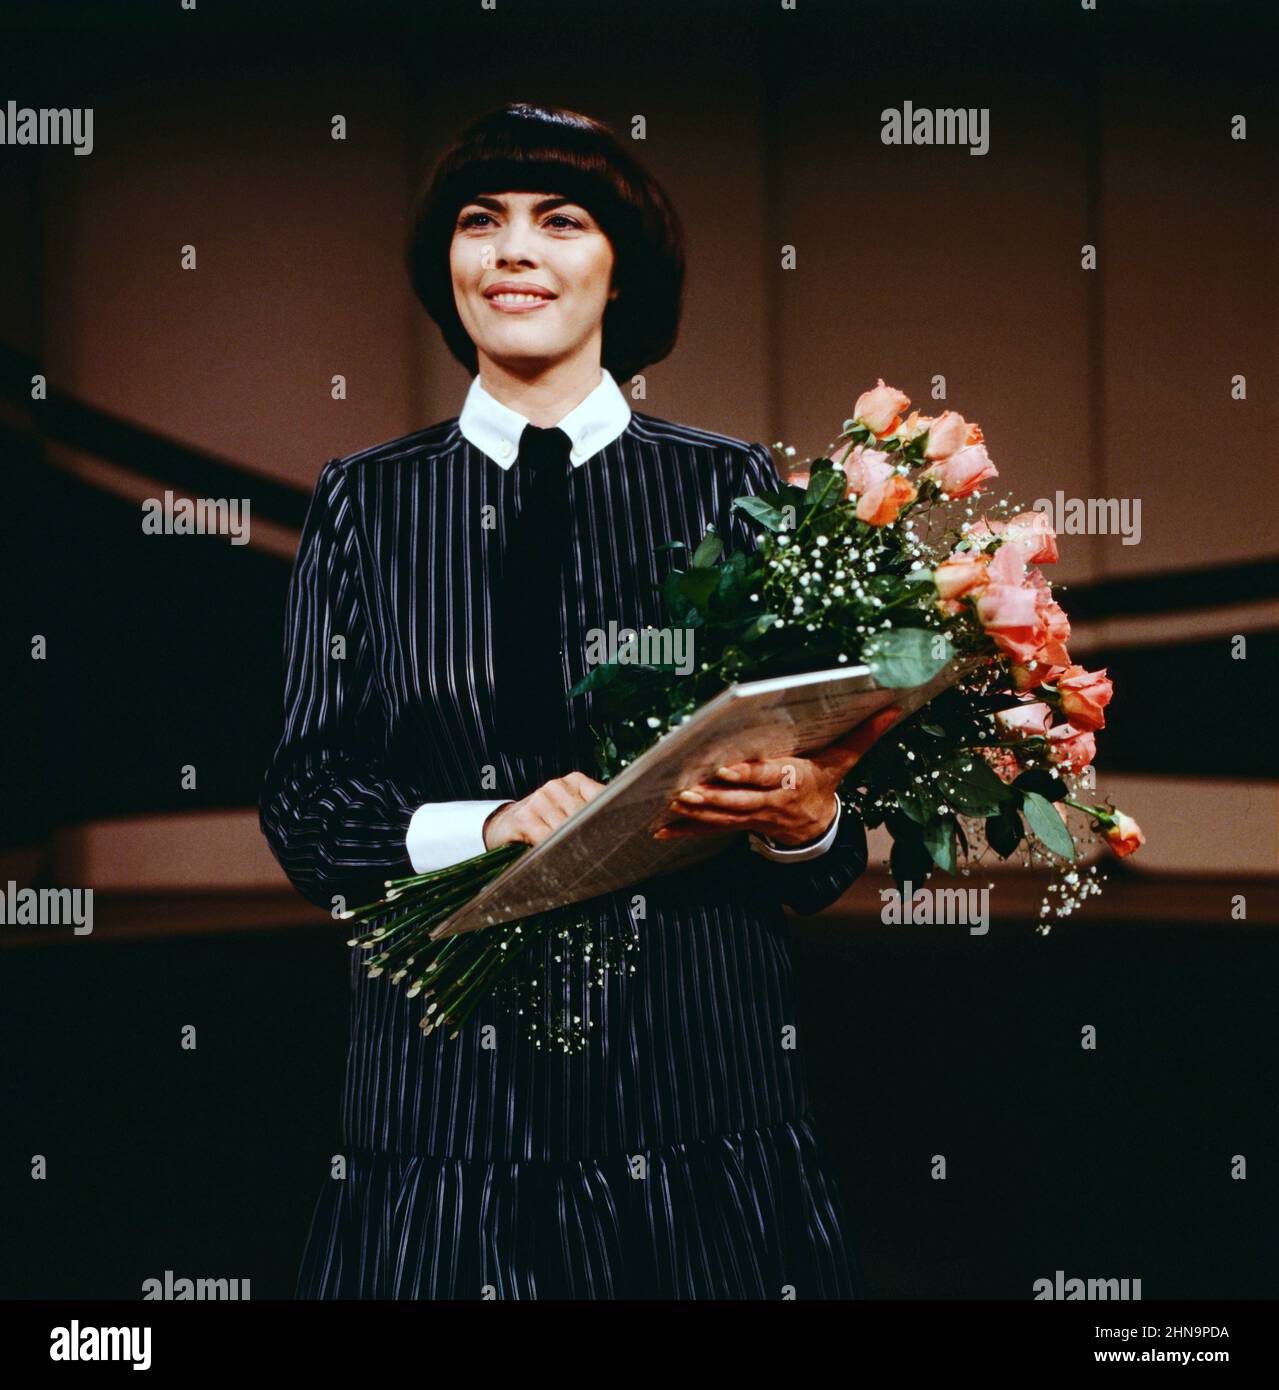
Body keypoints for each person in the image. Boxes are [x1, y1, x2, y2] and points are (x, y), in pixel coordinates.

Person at [260, 100, 897, 1300]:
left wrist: (804, 809)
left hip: (697, 1091)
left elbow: (820, 859)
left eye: (559, 219)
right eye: (479, 220)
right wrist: (485, 830)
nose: (511, 249)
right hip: (444, 1110)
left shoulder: (734, 486)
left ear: (620, 271)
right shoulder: (364, 502)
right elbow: (305, 802)